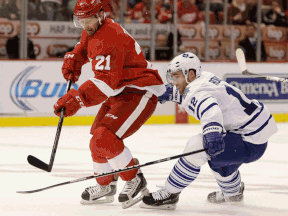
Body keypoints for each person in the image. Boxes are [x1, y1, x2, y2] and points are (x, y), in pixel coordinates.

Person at [52, 0, 165, 209]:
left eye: (88, 20)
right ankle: (106, 185)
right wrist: (75, 59)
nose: (85, 25)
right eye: (80, 20)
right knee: (97, 138)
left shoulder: (110, 36)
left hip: (139, 90)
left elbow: (105, 81)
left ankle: (135, 179)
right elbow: (84, 47)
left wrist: (77, 99)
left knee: (105, 137)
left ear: (100, 15)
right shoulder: (94, 28)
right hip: (119, 90)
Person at [139, 52, 278, 210]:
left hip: (249, 140)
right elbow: (197, 93)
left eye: (176, 77)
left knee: (197, 146)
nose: (173, 82)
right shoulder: (204, 77)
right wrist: (171, 93)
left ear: (190, 74)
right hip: (254, 134)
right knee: (217, 160)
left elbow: (210, 110)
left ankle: (169, 194)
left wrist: (212, 133)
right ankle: (232, 193)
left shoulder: (197, 92)